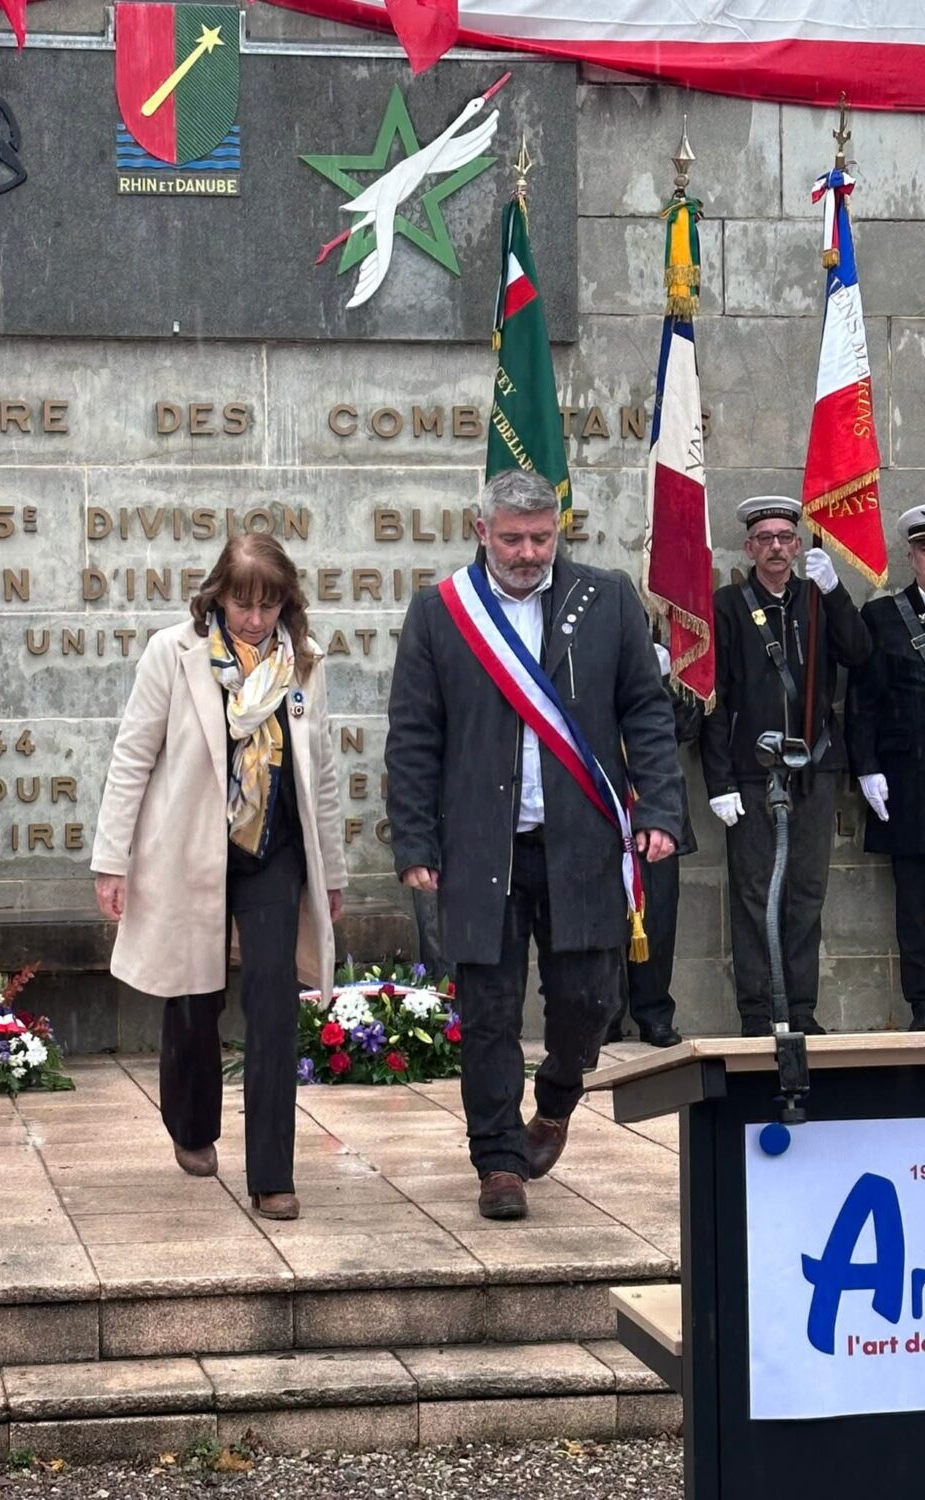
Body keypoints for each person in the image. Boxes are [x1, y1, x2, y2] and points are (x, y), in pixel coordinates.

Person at [385, 470, 682, 1222]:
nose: (527, 553)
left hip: (581, 841)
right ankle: (498, 1161)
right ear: (481, 531)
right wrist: (415, 839)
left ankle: (554, 1101)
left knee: (588, 1001)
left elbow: (646, 711)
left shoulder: (607, 598)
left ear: (559, 532)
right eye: (513, 538)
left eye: (541, 538)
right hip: (480, 847)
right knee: (487, 1011)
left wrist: (660, 809)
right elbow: (414, 735)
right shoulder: (440, 611)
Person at [91, 535, 347, 1222]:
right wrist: (112, 860)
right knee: (192, 997)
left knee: (274, 1003)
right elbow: (132, 757)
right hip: (190, 848)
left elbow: (321, 772)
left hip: (274, 852)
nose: (255, 620)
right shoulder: (172, 654)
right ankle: (192, 1124)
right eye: (242, 604)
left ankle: (272, 1176)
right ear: (216, 597)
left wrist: (331, 871)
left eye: (269, 605)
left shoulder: (305, 662)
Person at [700, 496, 871, 1038]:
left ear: (798, 546)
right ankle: (758, 1013)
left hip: (813, 770)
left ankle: (799, 1010)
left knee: (807, 893)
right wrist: (720, 780)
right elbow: (713, 698)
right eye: (765, 538)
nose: (776, 547)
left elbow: (859, 653)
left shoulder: (816, 598)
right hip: (752, 773)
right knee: (755, 894)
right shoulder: (728, 606)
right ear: (749, 547)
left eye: (785, 538)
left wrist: (835, 591)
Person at [846, 505, 925, 1032]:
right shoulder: (884, 617)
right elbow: (863, 700)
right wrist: (866, 767)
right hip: (911, 785)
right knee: (915, 907)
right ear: (911, 556)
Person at [609, 639, 701, 1048]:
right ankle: (605, 1014)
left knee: (658, 917)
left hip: (654, 809)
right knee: (602, 919)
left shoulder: (662, 664)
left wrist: (669, 682)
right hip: (604, 809)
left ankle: (654, 1014)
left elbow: (687, 729)